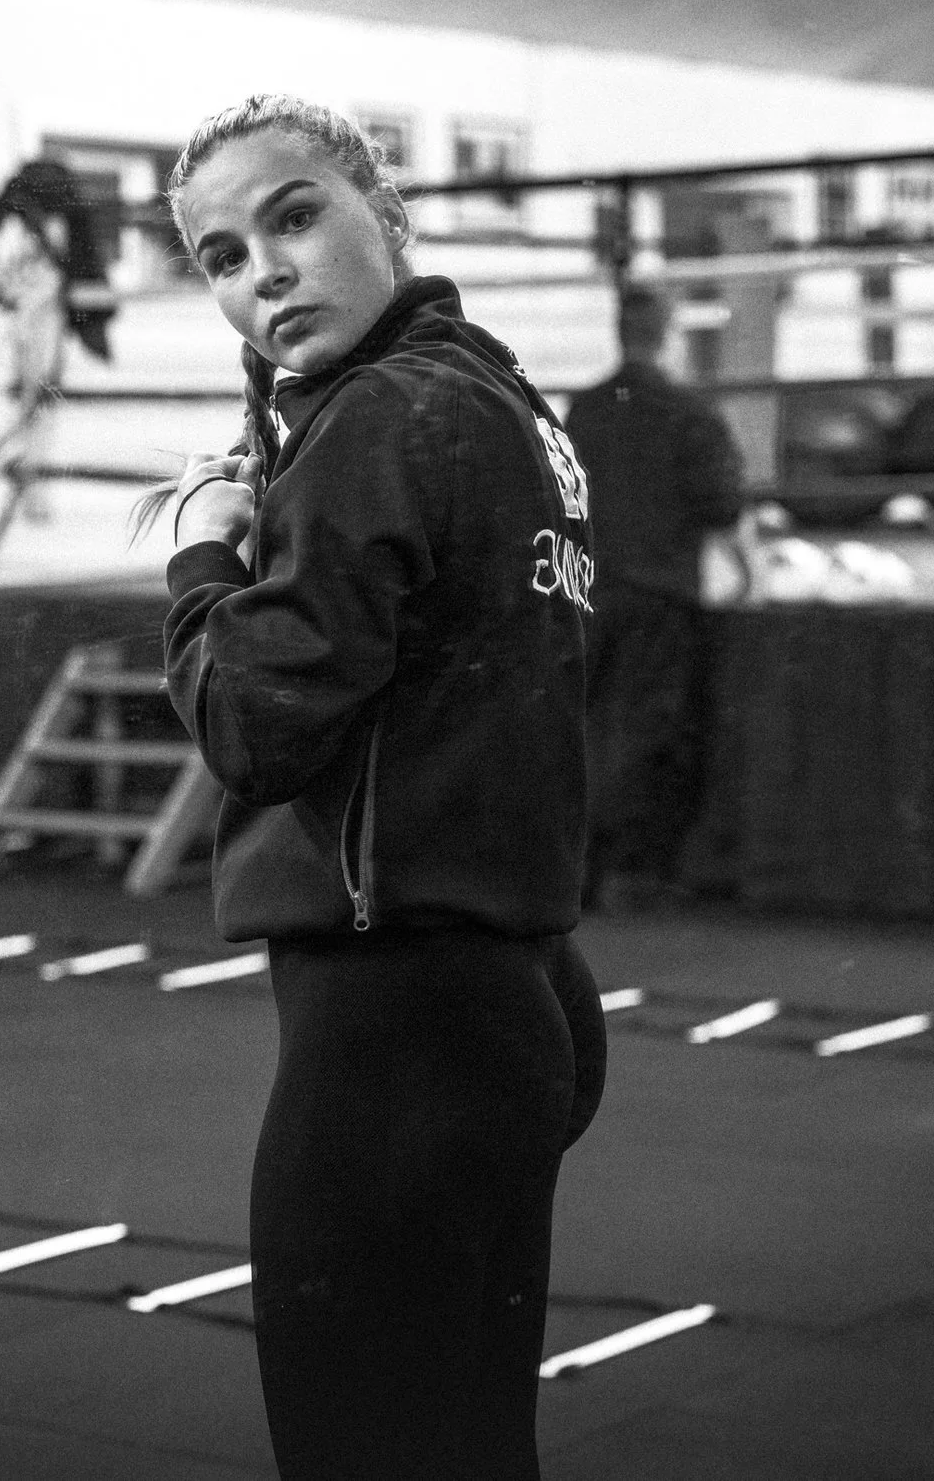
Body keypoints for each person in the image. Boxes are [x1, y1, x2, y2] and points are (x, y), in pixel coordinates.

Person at [156, 94, 607, 1480]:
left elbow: (252, 718)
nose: (266, 272)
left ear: (384, 213)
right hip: (509, 992)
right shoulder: (506, 405)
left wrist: (198, 557)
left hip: (401, 1024)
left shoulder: (379, 415)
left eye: (293, 216)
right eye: (225, 256)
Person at [559, 285, 744, 910]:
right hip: (659, 593)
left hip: (587, 590)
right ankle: (631, 872)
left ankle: (579, 869)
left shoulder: (584, 409)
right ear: (668, 333)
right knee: (646, 734)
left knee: (586, 728)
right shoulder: (688, 412)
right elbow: (722, 503)